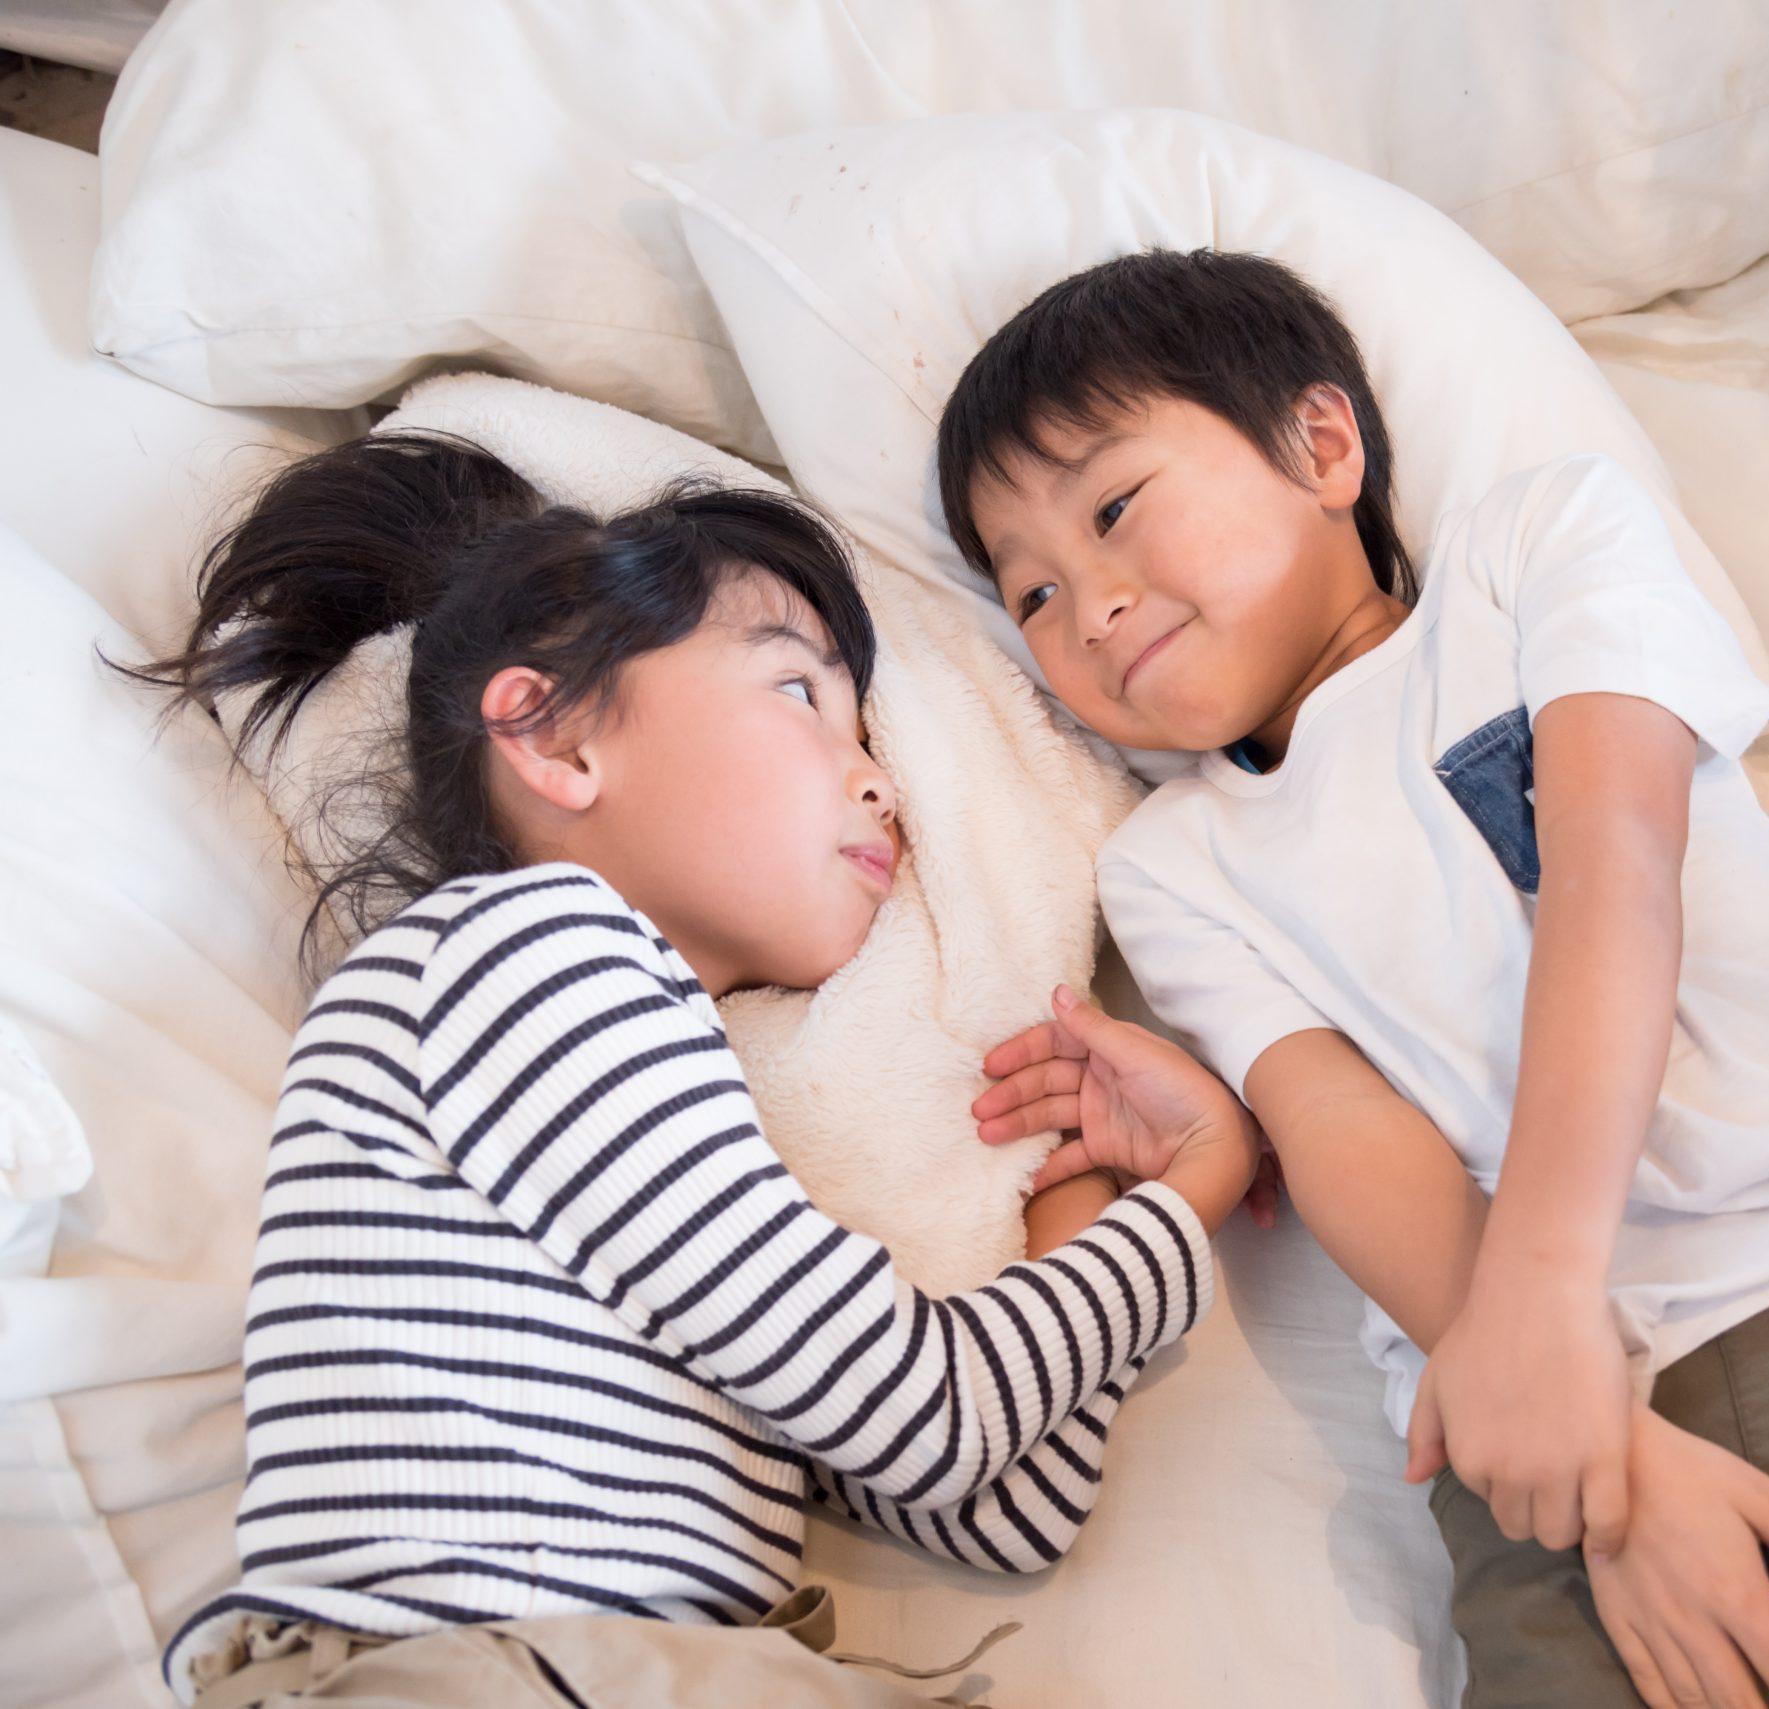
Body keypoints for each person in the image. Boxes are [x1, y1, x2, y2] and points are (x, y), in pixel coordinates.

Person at [950, 250, 1769, 1709]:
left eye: (1116, 507)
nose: (1095, 606)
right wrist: (1588, 1440)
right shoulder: (1172, 865)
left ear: (1324, 447)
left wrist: (1559, 1295)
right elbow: (1336, 1131)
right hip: (1507, 1428)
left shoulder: (1536, 547)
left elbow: (1615, 860)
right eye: (1037, 594)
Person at [129, 432, 1263, 1708]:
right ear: (553, 739)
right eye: (797, 692)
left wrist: (1079, 1170)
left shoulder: (652, 1111)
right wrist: (1198, 1182)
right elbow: (933, 1419)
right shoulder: (527, 958)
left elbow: (1001, 1503)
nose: (879, 776)